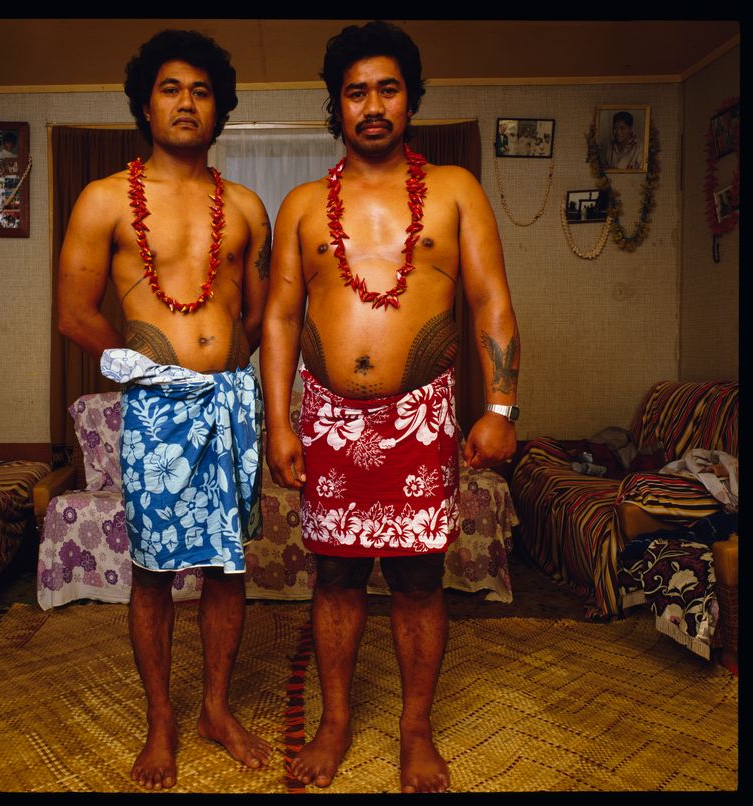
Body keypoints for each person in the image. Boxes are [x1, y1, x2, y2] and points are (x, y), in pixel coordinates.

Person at [261, 20, 520, 794]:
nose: (372, 105)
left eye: (388, 89)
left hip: (420, 415)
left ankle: (415, 729)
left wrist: (501, 407)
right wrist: (280, 422)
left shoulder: (454, 191)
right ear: (334, 106)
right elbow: (277, 318)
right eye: (355, 92)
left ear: (411, 99)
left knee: (416, 581)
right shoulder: (304, 204)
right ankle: (337, 722)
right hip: (328, 420)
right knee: (335, 577)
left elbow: (492, 303)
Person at [56, 29, 273, 790]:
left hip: (231, 405)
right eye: (172, 88)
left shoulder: (245, 205)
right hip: (156, 409)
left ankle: (216, 707)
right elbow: (73, 312)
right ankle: (162, 720)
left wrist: (240, 388)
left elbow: (261, 316)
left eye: (202, 91)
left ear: (220, 111)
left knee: (226, 565)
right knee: (153, 571)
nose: (187, 102)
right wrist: (142, 362)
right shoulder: (105, 199)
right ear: (146, 105)